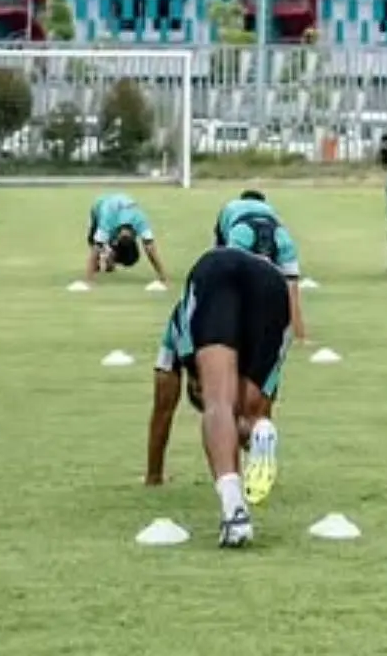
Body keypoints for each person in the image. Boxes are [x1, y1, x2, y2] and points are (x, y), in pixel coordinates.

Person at [145, 247, 294, 547]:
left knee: (220, 404)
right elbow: (263, 403)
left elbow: (163, 409)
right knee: (251, 417)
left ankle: (234, 511)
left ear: (193, 382)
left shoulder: (177, 336)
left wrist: (154, 474)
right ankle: (257, 434)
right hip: (272, 282)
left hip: (215, 272)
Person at [214, 190, 309, 343]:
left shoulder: (230, 207)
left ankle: (226, 328)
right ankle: (299, 335)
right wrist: (301, 336)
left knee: (229, 283)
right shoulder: (275, 219)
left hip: (241, 231)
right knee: (290, 288)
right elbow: (292, 291)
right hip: (276, 236)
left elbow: (219, 254)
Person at [79, 192, 170, 289]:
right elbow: (95, 248)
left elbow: (150, 249)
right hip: (100, 204)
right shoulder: (107, 221)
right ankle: (106, 259)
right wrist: (89, 280)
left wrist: (163, 277)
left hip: (118, 206)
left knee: (100, 243)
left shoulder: (140, 220)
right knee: (93, 240)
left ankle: (108, 259)